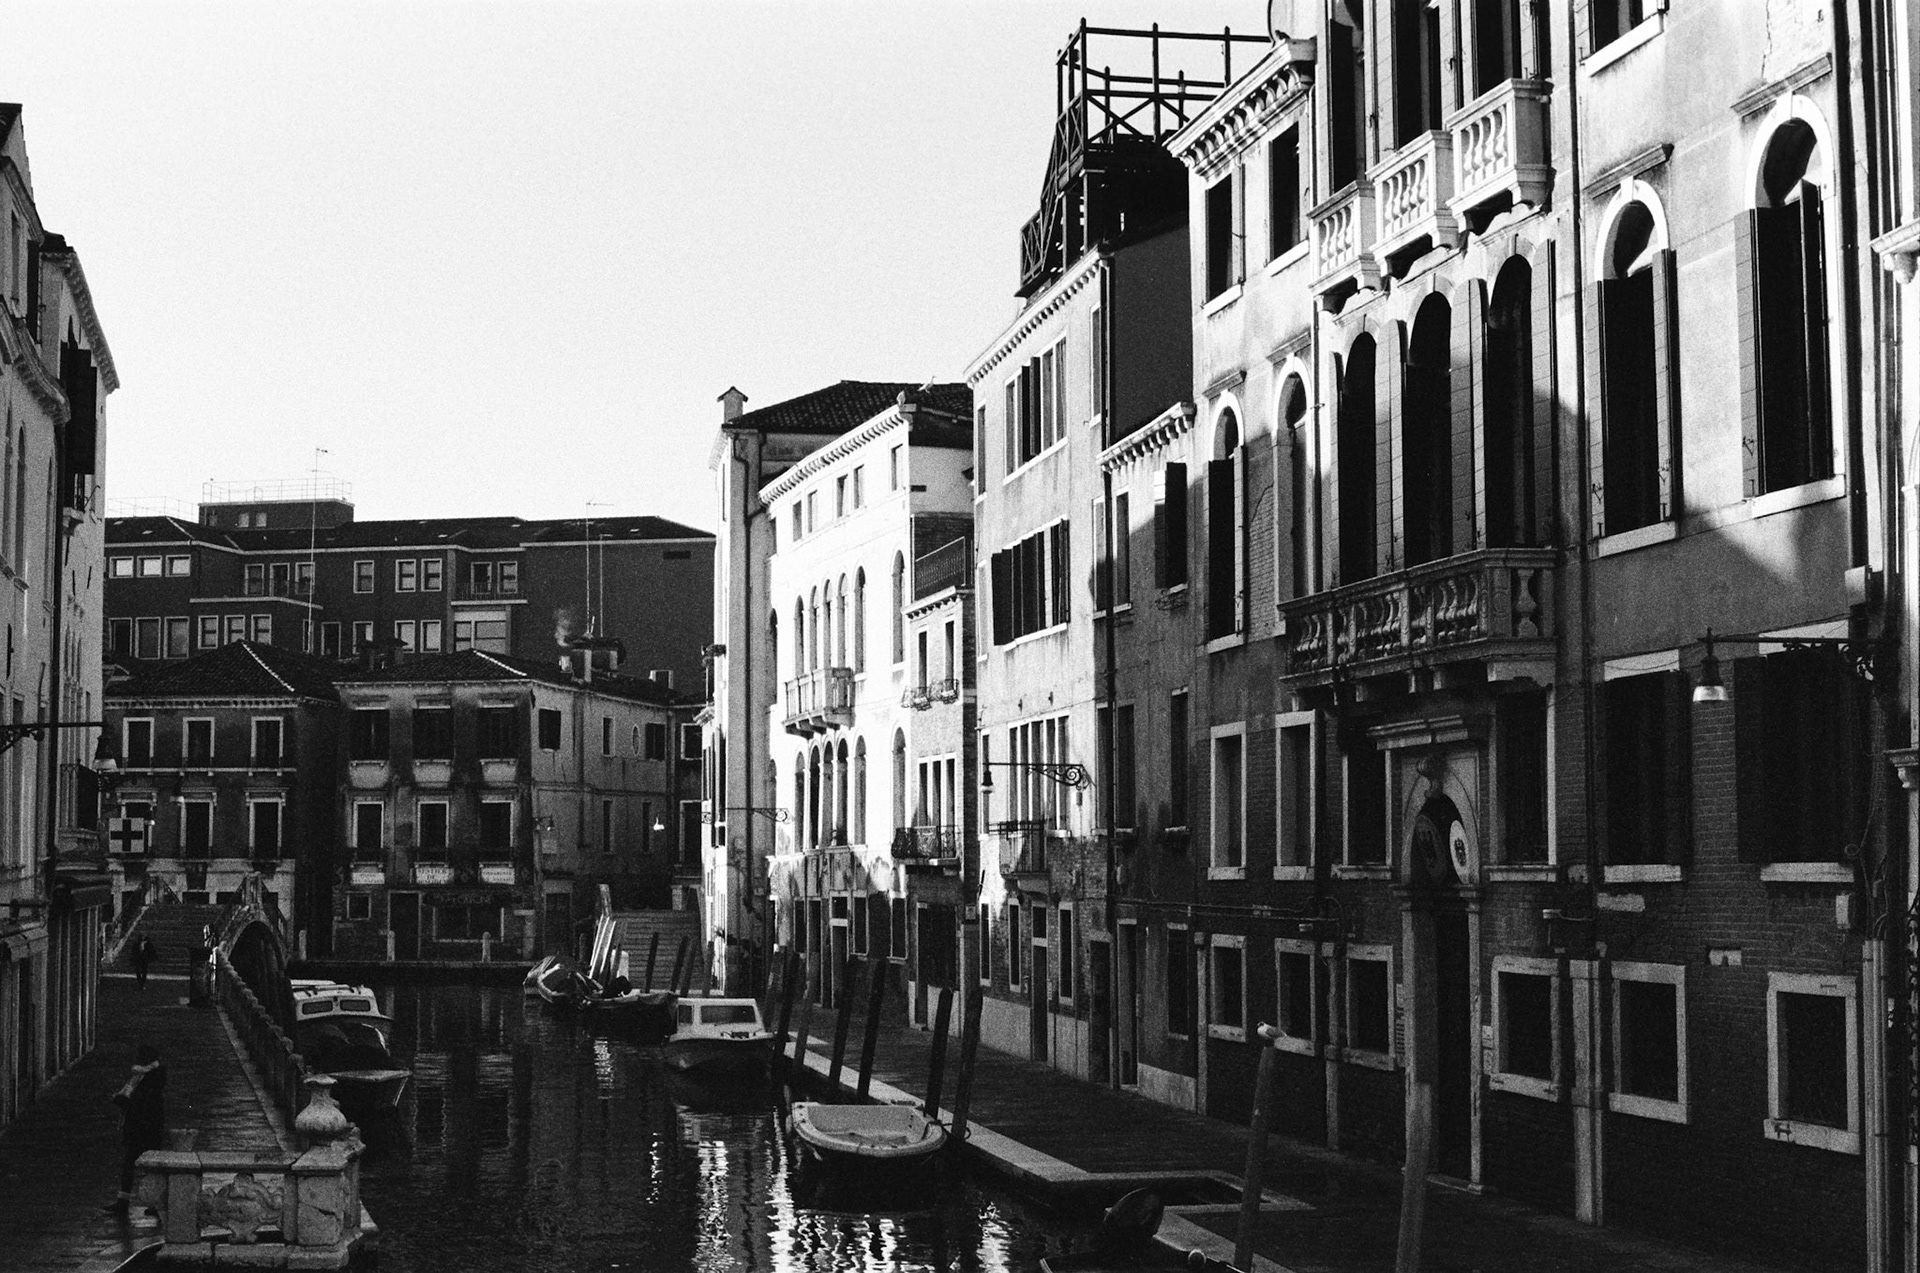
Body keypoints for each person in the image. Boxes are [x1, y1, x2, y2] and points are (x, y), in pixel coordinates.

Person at [105, 1044, 166, 1214]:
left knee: (139, 1166)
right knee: (136, 1165)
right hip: (142, 1128)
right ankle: (141, 1203)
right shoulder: (142, 1075)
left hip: (143, 1129)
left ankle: (133, 1203)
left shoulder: (149, 1077)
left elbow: (140, 1104)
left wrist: (122, 1101)